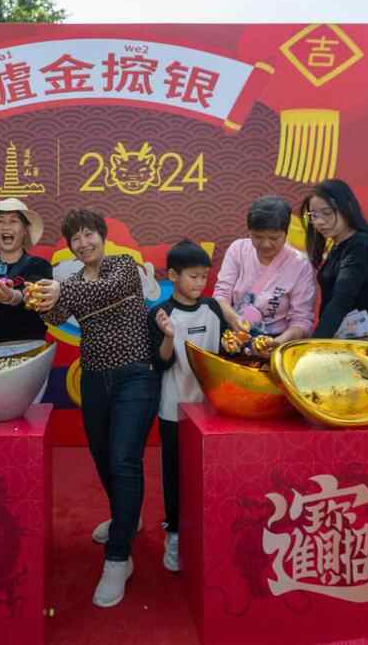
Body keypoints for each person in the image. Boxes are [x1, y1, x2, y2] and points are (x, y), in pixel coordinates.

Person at [31, 209, 160, 608]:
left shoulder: (124, 267)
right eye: (76, 239)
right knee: (103, 456)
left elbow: (100, 293)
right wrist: (31, 298)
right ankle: (127, 517)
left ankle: (118, 557)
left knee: (124, 460)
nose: (84, 243)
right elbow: (54, 314)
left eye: (89, 235)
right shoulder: (69, 282)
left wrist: (54, 292)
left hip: (135, 376)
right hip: (93, 379)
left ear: (102, 236)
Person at [147, 240, 227, 573]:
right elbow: (161, 362)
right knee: (175, 473)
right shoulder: (160, 313)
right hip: (173, 407)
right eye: (193, 277)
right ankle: (175, 533)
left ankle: (209, 527)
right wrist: (168, 335)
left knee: (210, 471)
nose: (199, 283)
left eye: (204, 277)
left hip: (210, 409)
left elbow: (226, 352)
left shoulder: (213, 309)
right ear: (173, 276)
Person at [213, 196, 315, 355]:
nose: (266, 244)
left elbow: (302, 320)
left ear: (286, 233)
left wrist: (278, 342)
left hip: (276, 342)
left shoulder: (300, 264)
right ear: (249, 232)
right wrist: (234, 319)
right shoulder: (238, 250)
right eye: (258, 237)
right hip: (235, 338)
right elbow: (221, 294)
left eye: (274, 238)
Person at [302, 179, 368, 339]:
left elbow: (341, 301)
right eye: (314, 215)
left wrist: (315, 343)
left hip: (357, 344)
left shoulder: (360, 246)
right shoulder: (337, 245)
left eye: (327, 213)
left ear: (346, 207)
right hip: (338, 340)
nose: (319, 221)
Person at [0, 198, 52, 356]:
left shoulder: (40, 265)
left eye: (13, 221)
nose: (6, 226)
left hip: (29, 349)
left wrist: (13, 296)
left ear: (25, 229)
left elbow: (36, 292)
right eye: (0, 221)